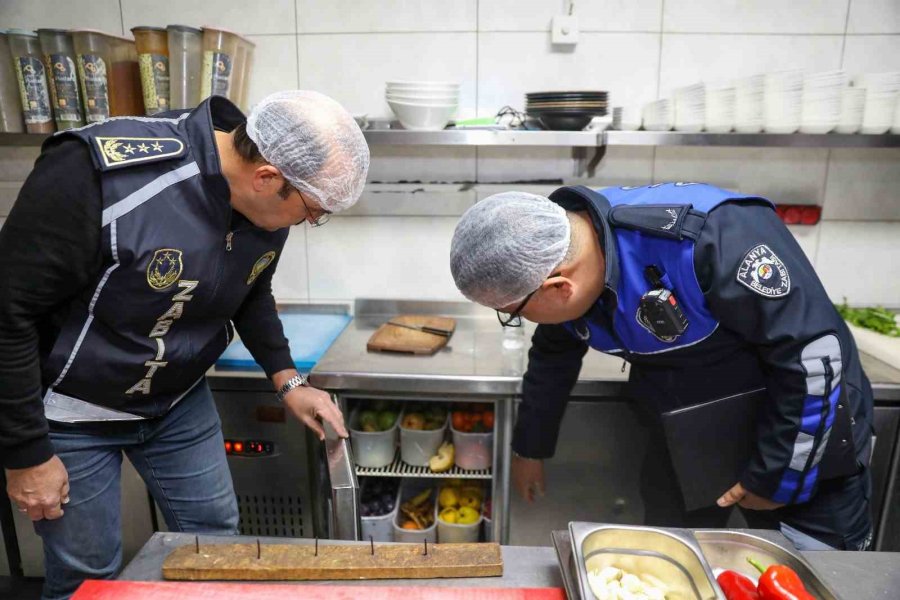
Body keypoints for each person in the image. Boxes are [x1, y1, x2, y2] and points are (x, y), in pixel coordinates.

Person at [0, 90, 369, 599]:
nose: (309, 223)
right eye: (312, 211)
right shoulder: (97, 175)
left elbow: (250, 285)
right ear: (266, 178)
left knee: (218, 547)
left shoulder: (262, 193)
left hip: (177, 402)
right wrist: (25, 454)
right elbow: (7, 313)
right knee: (87, 578)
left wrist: (289, 380)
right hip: (73, 411)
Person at [450, 183, 874, 551]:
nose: (521, 321)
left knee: (815, 574)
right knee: (678, 564)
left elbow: (812, 358)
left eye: (515, 312)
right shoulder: (567, 256)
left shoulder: (712, 236)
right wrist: (530, 447)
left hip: (805, 430)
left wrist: (778, 477)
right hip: (691, 439)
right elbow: (553, 355)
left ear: (560, 286)